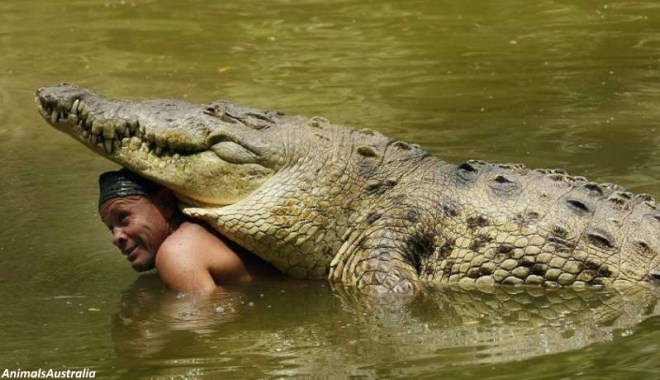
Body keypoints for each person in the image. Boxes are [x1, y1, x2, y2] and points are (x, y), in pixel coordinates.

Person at [98, 169, 281, 293]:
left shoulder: (177, 252)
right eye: (110, 228)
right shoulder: (203, 231)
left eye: (124, 218)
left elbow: (206, 333)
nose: (116, 238)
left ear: (165, 203)